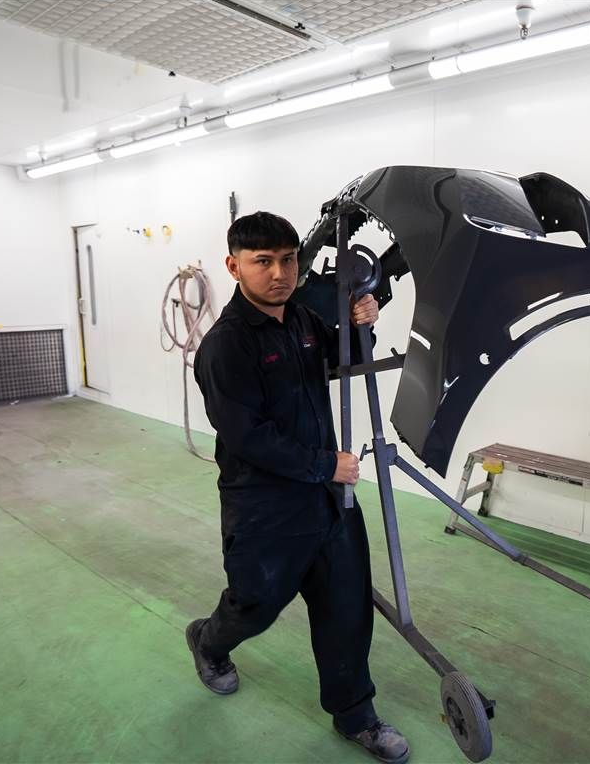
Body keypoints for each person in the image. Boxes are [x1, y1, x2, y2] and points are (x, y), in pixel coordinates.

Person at [186, 211, 409, 764]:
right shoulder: (226, 346)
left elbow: (344, 361)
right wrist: (322, 465)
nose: (279, 273)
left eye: (288, 260)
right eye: (263, 262)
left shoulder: (304, 322)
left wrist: (362, 324)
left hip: (327, 499)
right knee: (255, 606)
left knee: (346, 609)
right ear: (234, 265)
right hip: (264, 507)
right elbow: (245, 435)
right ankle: (209, 642)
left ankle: (356, 715)